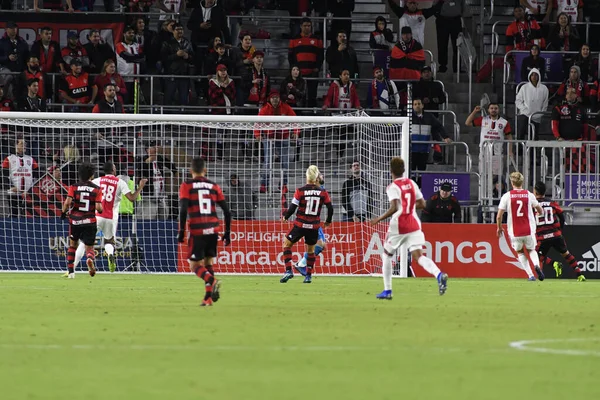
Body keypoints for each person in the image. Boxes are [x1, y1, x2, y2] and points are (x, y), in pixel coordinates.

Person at [369, 157, 449, 299]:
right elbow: (423, 204)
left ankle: (387, 291)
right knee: (419, 256)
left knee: (386, 255)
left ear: (391, 171)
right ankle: (439, 275)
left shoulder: (392, 187)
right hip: (414, 223)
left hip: (399, 225)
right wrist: (410, 206)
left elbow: (394, 207)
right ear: (404, 170)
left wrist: (378, 219)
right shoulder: (412, 183)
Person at [70, 161, 146, 274]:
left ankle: (72, 269)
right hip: (111, 218)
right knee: (109, 241)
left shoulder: (97, 181)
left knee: (84, 242)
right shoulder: (120, 182)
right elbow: (131, 198)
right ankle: (110, 255)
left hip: (96, 216)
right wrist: (140, 187)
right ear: (113, 170)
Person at [178, 157, 231, 307]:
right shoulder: (213, 186)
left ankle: (212, 281)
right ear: (205, 170)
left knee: (194, 265)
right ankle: (207, 298)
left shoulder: (186, 185)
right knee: (208, 262)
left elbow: (182, 210)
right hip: (214, 229)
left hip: (198, 229)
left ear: (190, 171)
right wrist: (227, 232)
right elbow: (227, 211)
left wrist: (181, 230)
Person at [280, 165, 333, 284]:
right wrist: (328, 221)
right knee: (311, 250)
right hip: (314, 226)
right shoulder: (323, 192)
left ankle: (288, 270)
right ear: (316, 177)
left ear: (307, 177)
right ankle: (308, 276)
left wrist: (286, 217)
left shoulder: (300, 190)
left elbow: (293, 207)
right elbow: (330, 208)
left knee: (286, 244)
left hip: (300, 224)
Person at [496, 171, 545, 281]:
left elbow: (499, 216)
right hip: (528, 229)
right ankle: (537, 265)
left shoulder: (506, 196)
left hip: (515, 231)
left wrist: (499, 227)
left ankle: (531, 275)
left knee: (520, 252)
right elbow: (540, 210)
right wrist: (538, 213)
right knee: (531, 250)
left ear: (512, 183)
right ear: (522, 182)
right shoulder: (529, 195)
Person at [533, 181, 585, 281]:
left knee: (536, 256)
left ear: (535, 192)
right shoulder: (552, 203)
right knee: (566, 254)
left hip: (543, 236)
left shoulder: (533, 205)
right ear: (544, 192)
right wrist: (560, 229)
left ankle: (554, 264)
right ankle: (580, 275)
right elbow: (561, 216)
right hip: (556, 234)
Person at [60, 162, 103, 279]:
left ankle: (71, 273)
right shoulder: (97, 189)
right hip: (90, 221)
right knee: (89, 247)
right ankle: (89, 258)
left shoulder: (74, 187)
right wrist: (100, 209)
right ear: (92, 175)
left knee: (72, 245)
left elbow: (67, 203)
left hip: (75, 221)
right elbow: (99, 208)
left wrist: (63, 213)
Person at [255, 90, 297, 193]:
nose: (275, 100)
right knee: (267, 162)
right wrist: (257, 134)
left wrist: (295, 132)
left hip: (283, 138)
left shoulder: (286, 108)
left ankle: (283, 185)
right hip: (269, 138)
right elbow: (257, 123)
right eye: (273, 98)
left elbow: (296, 120)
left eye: (276, 98)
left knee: (285, 163)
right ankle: (264, 184)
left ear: (279, 99)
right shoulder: (264, 110)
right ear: (270, 99)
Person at [465, 103, 513, 185]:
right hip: (484, 152)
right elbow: (467, 123)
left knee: (497, 176)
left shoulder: (504, 122)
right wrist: (474, 111)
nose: (493, 110)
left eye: (496, 108)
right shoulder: (483, 120)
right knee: (483, 174)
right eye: (491, 108)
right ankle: (483, 195)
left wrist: (510, 151)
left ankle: (495, 194)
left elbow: (509, 137)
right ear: (488, 110)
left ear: (498, 110)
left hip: (497, 153)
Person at [293, 173, 328, 277]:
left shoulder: (319, 189)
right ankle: (301, 264)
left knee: (321, 246)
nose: (322, 176)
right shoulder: (315, 189)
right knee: (319, 245)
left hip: (313, 220)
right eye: (320, 175)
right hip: (310, 221)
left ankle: (302, 264)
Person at [288, 17, 323, 108]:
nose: (307, 27)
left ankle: (312, 113)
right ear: (300, 26)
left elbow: (321, 55)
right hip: (299, 73)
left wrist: (317, 68)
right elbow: (290, 56)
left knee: (312, 94)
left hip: (313, 71)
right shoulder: (294, 39)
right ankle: (299, 115)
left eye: (309, 26)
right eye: (305, 26)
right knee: (299, 94)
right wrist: (294, 69)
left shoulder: (317, 39)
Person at [2, 138, 39, 216]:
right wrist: (10, 187)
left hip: (28, 193)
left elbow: (37, 175)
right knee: (13, 214)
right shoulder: (9, 159)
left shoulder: (31, 159)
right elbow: (3, 176)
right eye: (22, 143)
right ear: (16, 145)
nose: (24, 145)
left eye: (25, 144)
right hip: (13, 193)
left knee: (27, 214)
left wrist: (32, 189)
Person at [515, 68, 548, 141]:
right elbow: (518, 101)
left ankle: (533, 152)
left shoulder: (544, 88)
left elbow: (545, 103)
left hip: (537, 115)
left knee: (534, 136)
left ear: (539, 76)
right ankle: (519, 150)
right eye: (532, 75)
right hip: (525, 114)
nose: (534, 76)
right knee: (521, 133)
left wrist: (540, 114)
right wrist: (525, 110)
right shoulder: (524, 87)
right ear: (529, 76)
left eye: (536, 75)